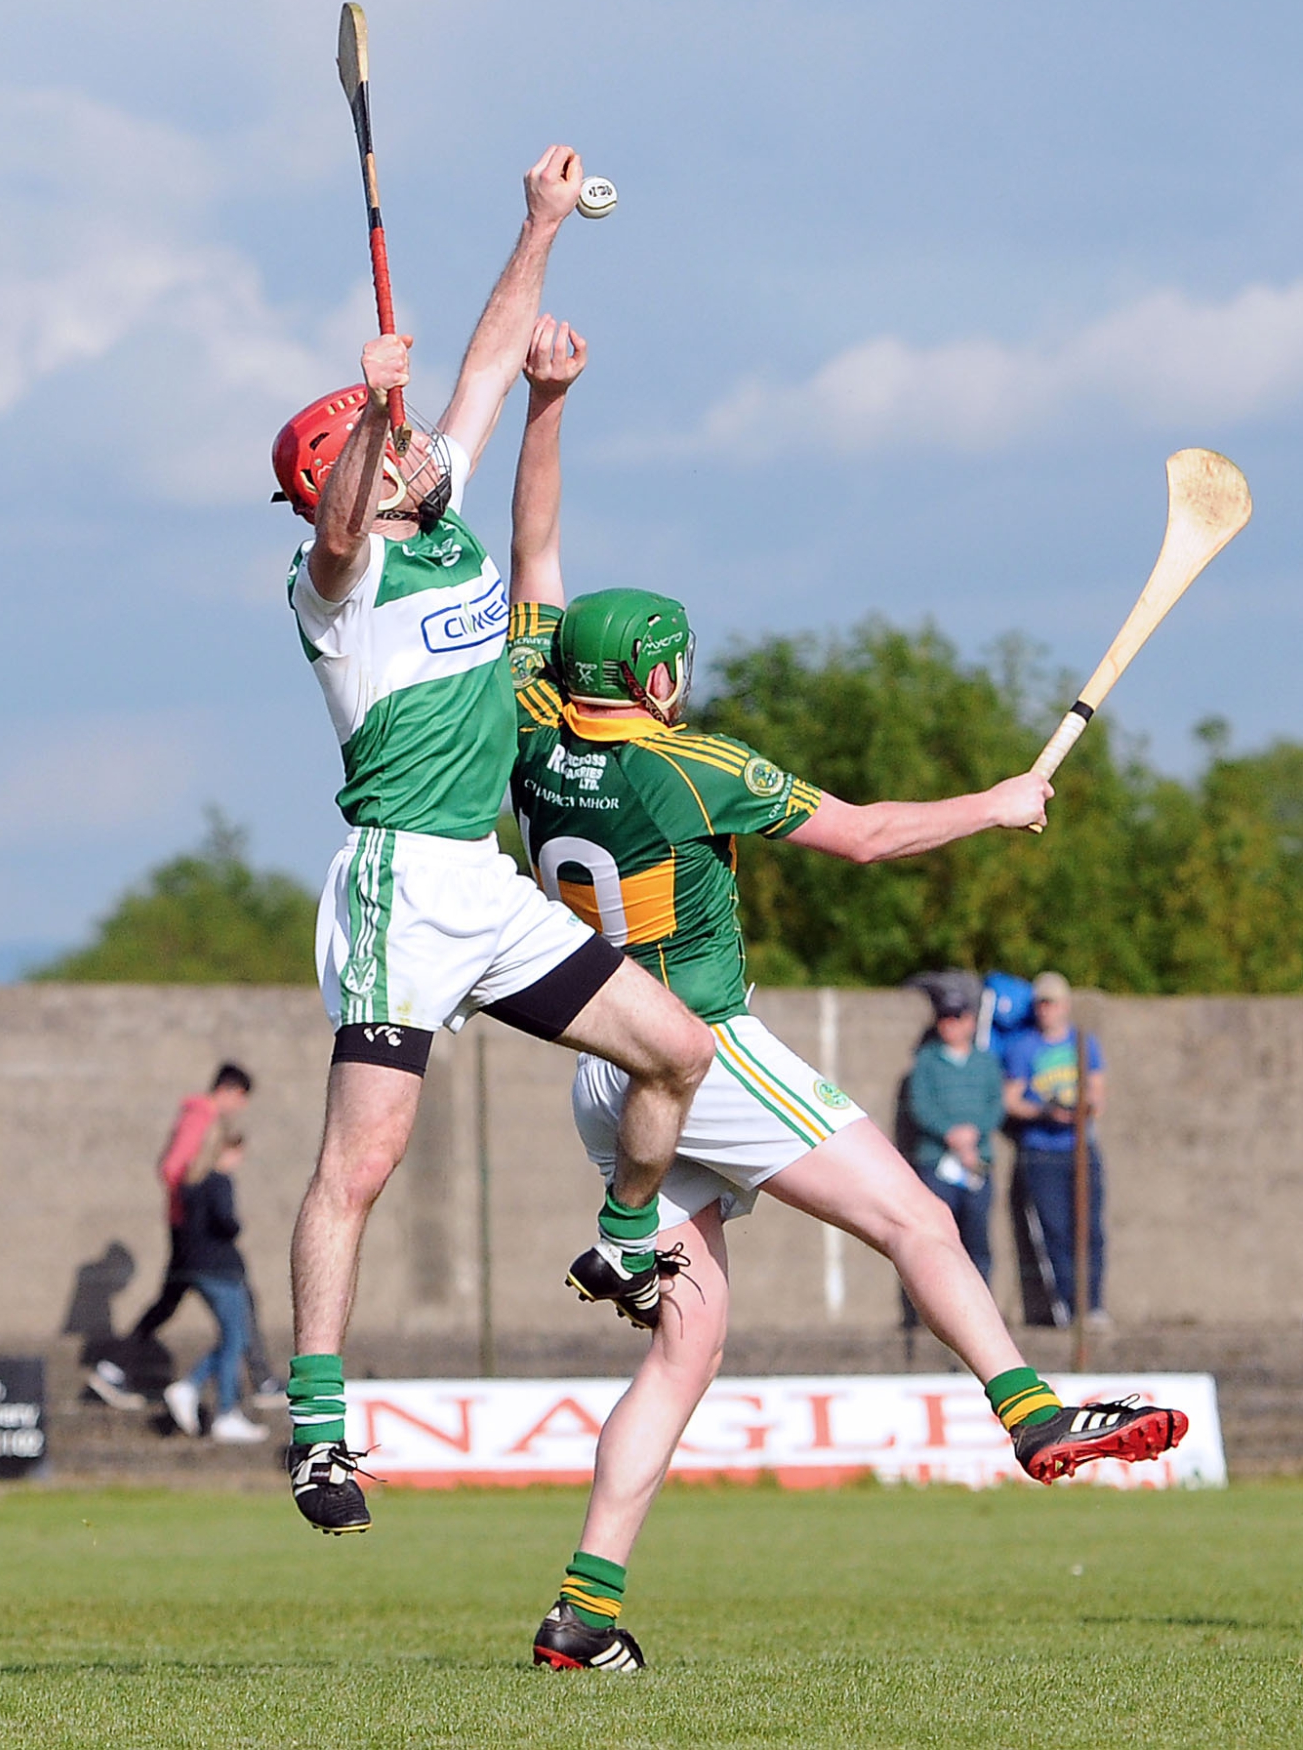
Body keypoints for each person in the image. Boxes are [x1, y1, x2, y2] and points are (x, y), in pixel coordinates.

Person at [506, 315, 1189, 1672]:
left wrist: (546, 404)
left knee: (685, 1352)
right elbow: (869, 836)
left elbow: (535, 558)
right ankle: (1032, 1411)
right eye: (671, 663)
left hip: (600, 1069)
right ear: (651, 677)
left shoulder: (529, 722)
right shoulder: (694, 765)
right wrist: (998, 803)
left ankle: (583, 1614)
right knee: (916, 1217)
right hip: (698, 1050)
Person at [272, 148, 714, 1535]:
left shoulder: (442, 510)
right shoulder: (337, 585)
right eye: (386, 443)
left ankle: (626, 1237)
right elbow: (336, 534)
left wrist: (538, 226)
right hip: (400, 883)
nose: (417, 443)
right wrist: (370, 414)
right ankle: (319, 1434)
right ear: (352, 474)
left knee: (675, 1051)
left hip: (487, 880)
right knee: (361, 1164)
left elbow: (485, 359)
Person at [87, 1064, 285, 1411]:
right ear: (228, 1090)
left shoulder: (199, 1115)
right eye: (241, 1099)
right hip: (193, 1231)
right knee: (237, 1298)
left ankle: (113, 1369)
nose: (240, 1108)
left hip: (189, 1229)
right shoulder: (201, 1115)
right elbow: (171, 1168)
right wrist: (199, 1203)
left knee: (170, 1301)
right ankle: (262, 1380)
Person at [1003, 970, 1107, 1324]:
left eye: (1052, 1003)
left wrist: (1081, 1109)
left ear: (1065, 1005)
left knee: (1089, 1229)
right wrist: (1045, 1112)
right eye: (1041, 1004)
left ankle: (1092, 1305)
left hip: (1079, 1146)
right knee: (1055, 1230)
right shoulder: (1023, 1048)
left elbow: (1098, 1092)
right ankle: (1068, 1305)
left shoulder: (1084, 1043)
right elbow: (1011, 1100)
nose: (1046, 1011)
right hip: (1041, 1149)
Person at [162, 1121, 268, 1444]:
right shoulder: (219, 1181)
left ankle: (191, 1388)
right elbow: (226, 1222)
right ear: (225, 1149)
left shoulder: (191, 1182)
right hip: (221, 1270)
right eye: (238, 1152)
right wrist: (236, 1225)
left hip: (195, 1268)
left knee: (233, 1338)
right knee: (236, 1339)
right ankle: (224, 1410)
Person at [900, 974, 1005, 1285]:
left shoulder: (985, 1062)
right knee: (936, 1242)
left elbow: (995, 1105)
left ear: (970, 1021)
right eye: (944, 1017)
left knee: (977, 1242)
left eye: (957, 1017)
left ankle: (980, 1301)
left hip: (976, 1163)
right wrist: (951, 1134)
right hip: (936, 1164)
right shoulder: (926, 1061)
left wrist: (972, 1136)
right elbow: (920, 1106)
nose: (950, 1024)